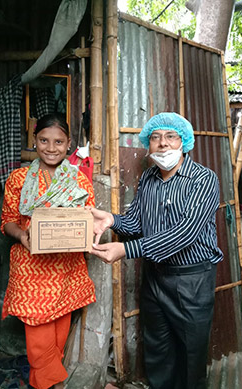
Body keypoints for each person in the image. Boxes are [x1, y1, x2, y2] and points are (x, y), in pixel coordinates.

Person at [90, 112, 223, 389]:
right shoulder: (150, 177)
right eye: (155, 137)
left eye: (170, 136)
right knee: (158, 350)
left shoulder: (203, 179)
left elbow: (185, 233)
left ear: (184, 142)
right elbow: (137, 222)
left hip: (191, 280)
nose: (162, 143)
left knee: (191, 354)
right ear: (148, 144)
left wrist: (126, 250)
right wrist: (112, 220)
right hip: (155, 277)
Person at [1, 113, 96, 389]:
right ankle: (51, 384)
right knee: (39, 337)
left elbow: (89, 220)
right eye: (43, 140)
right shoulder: (18, 179)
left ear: (69, 144)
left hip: (66, 268)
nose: (51, 148)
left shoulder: (79, 180)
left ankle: (42, 381)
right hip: (31, 269)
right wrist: (22, 235)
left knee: (57, 332)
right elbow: (7, 221)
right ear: (35, 140)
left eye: (58, 141)